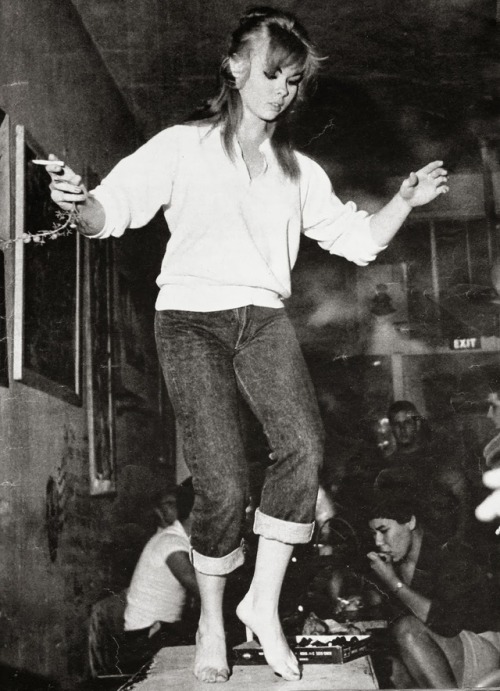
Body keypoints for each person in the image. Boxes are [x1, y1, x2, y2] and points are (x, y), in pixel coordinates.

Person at [44, 7, 448, 682]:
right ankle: (211, 615)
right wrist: (73, 201)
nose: (281, 89)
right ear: (235, 67)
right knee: (223, 481)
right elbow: (107, 212)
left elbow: (359, 239)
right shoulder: (181, 146)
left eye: (292, 80)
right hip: (189, 318)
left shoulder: (299, 171)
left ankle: (259, 601)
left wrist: (405, 199)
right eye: (269, 72)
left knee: (303, 448)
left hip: (262, 317)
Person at [366, 495, 500, 688]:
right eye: (373, 534)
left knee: (407, 631)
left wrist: (394, 584)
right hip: (450, 650)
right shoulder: (398, 562)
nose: (378, 541)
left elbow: (446, 623)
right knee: (389, 669)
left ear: (410, 522)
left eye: (384, 531)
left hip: (484, 650)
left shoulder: (451, 553)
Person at [118, 478, 199, 674]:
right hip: (145, 640)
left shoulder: (175, 538)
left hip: (156, 633)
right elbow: (200, 587)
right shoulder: (171, 542)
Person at [375, 400, 471, 543]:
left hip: (438, 544)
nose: (402, 429)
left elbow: (464, 500)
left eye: (407, 422)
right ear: (391, 428)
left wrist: (459, 538)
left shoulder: (438, 458)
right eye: (397, 424)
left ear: (417, 424)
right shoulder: (385, 466)